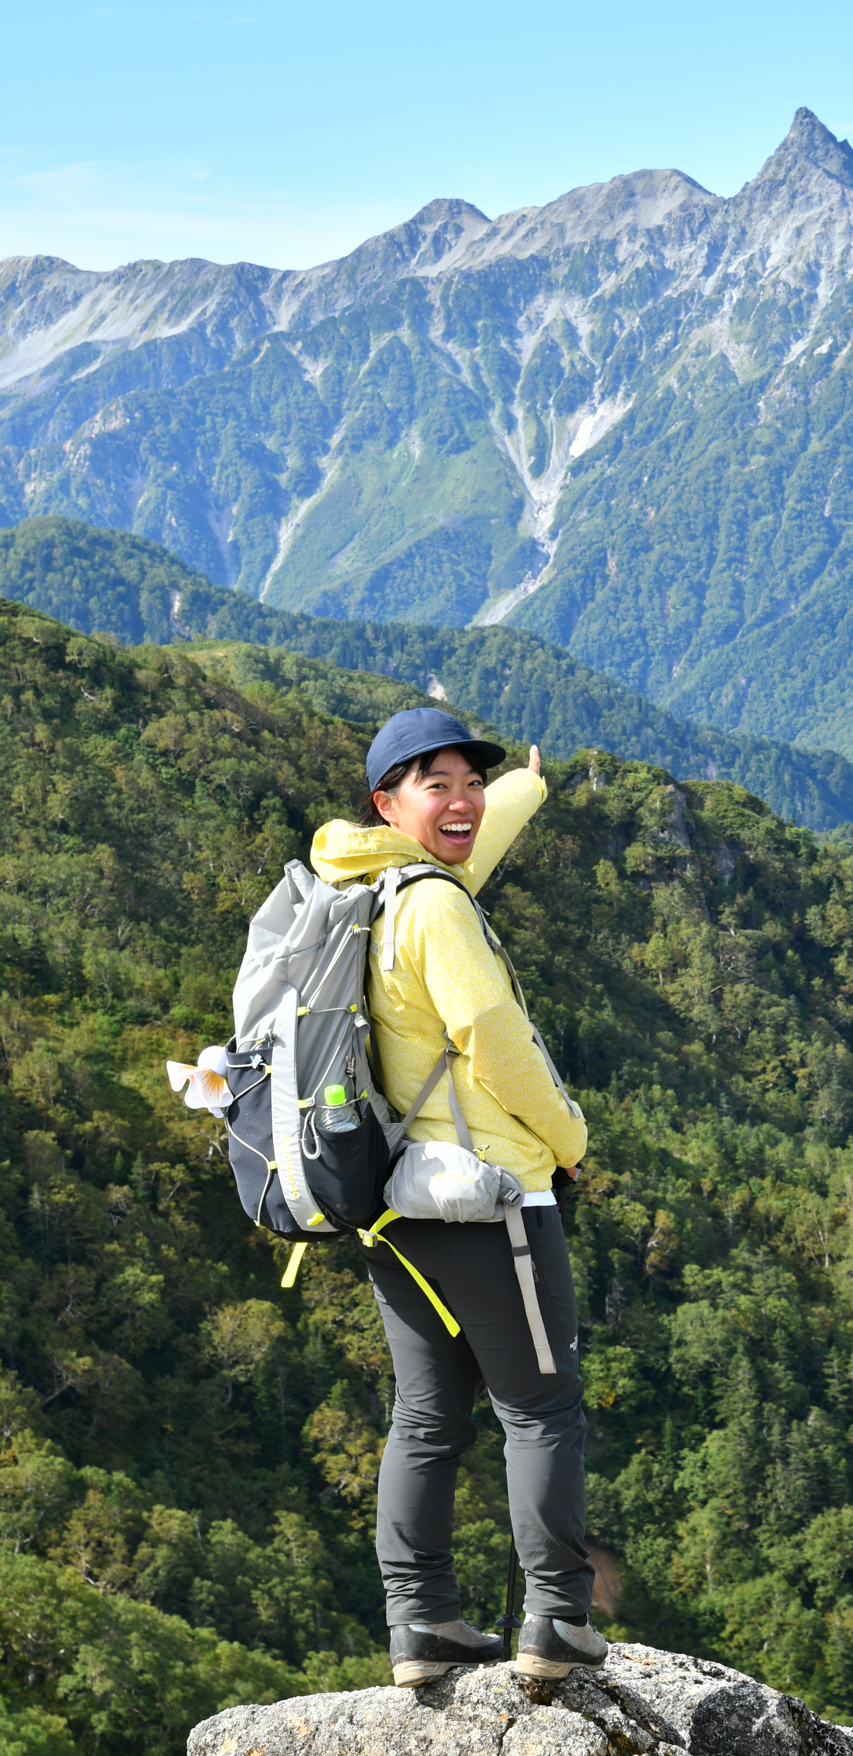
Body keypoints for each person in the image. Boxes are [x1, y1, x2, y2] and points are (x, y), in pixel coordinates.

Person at [311, 707, 605, 1687]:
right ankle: (557, 1619)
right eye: (436, 785)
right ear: (387, 802)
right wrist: (569, 1140)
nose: (463, 801)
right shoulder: (434, 906)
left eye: (470, 783)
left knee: (429, 1414)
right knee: (543, 1406)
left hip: (394, 1202)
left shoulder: (367, 883)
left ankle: (420, 1623)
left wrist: (525, 786)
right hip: (489, 1195)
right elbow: (490, 1031)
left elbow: (473, 842)